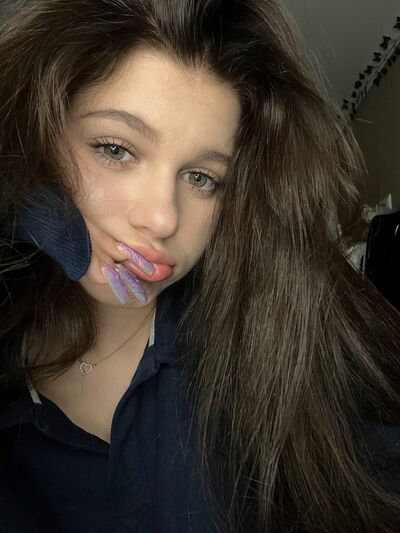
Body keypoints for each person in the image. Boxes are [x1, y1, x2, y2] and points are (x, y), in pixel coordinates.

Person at [1, 0, 400, 532]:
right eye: (115, 150)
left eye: (202, 178)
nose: (163, 218)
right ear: (37, 137)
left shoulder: (277, 351)